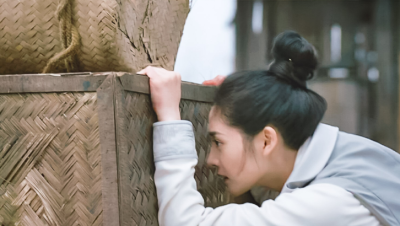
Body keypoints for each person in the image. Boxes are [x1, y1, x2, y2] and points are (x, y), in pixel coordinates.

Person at [137, 31, 400, 226]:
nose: (211, 160)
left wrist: (170, 118)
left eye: (219, 142)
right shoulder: (350, 157)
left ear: (266, 141)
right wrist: (245, 99)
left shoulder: (331, 202)